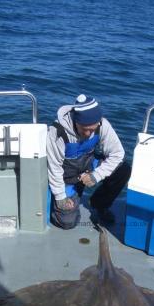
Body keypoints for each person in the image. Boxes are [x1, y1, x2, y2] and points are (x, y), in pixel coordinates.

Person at [47, 94, 131, 229]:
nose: (87, 134)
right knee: (67, 222)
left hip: (88, 165)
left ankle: (99, 204)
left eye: (91, 130)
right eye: (84, 129)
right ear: (75, 121)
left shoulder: (103, 125)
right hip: (66, 177)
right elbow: (54, 167)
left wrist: (96, 175)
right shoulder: (57, 132)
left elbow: (117, 153)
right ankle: (72, 193)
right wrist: (60, 197)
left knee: (123, 169)